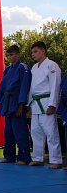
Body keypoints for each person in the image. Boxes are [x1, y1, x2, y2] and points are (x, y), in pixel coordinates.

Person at [0, 45, 32, 165]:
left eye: (12, 54)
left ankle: (24, 157)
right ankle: (9, 155)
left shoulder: (23, 68)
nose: (10, 57)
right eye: (8, 55)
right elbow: (2, 87)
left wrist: (21, 104)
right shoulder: (7, 70)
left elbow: (25, 87)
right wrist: (0, 101)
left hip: (17, 103)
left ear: (18, 54)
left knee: (20, 131)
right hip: (8, 103)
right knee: (8, 132)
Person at [28, 41, 62, 169]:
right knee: (35, 133)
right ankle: (38, 158)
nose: (33, 54)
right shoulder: (34, 67)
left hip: (47, 103)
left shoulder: (52, 65)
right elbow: (31, 89)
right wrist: (29, 105)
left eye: (35, 51)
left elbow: (55, 86)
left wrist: (53, 104)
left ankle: (56, 160)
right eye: (32, 52)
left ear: (43, 51)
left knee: (51, 132)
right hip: (35, 104)